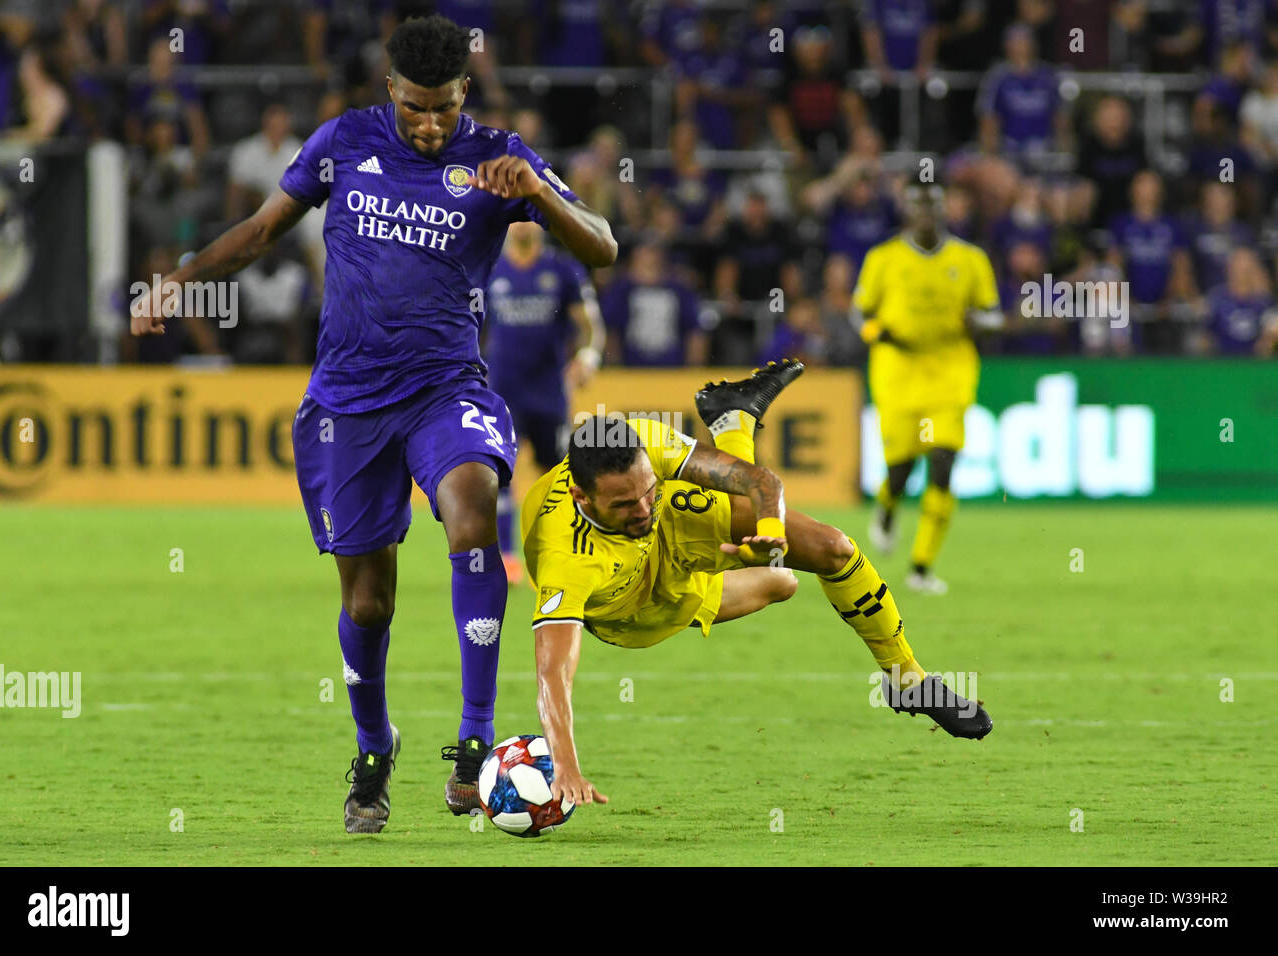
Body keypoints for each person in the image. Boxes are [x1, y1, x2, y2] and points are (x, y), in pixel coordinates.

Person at [130, 14, 616, 832]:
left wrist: (536, 193)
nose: (431, 125)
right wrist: (178, 282)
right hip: (347, 404)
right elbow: (258, 231)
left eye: (446, 109)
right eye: (417, 107)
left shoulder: (500, 158)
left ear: (468, 92)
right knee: (368, 606)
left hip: (445, 388)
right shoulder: (343, 144)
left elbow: (601, 247)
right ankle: (373, 744)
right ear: (391, 88)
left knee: (471, 513)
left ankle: (475, 740)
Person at [520, 361, 992, 807]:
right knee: (780, 582)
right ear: (582, 496)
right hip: (637, 608)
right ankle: (734, 422)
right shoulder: (568, 557)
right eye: (624, 503)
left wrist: (770, 531)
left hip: (675, 526)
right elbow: (553, 673)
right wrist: (565, 764)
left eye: (647, 489)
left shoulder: (646, 446)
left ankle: (906, 679)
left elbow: (759, 481)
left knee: (833, 548)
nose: (642, 508)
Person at [854, 181, 1002, 595]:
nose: (926, 213)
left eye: (933, 205)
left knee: (942, 463)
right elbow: (859, 312)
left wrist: (982, 324)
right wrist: (876, 333)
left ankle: (921, 568)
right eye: (919, 205)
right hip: (898, 374)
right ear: (907, 211)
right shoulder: (883, 259)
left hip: (950, 373)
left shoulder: (970, 260)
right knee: (900, 470)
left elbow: (993, 313)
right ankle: (885, 510)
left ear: (944, 210)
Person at [485, 220, 605, 584]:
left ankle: (563, 551)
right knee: (499, 473)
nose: (523, 224)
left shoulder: (562, 269)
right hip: (502, 390)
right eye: (517, 216)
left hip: (549, 390)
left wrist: (587, 357)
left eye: (529, 216)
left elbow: (590, 325)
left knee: (558, 476)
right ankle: (506, 558)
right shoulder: (489, 266)